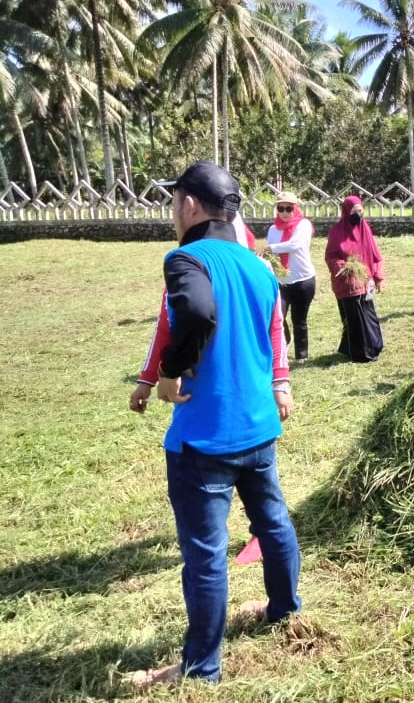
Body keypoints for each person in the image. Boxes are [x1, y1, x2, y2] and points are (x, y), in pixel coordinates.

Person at [127, 160, 301, 687]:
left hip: (203, 436)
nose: (172, 212)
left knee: (205, 556)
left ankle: (201, 669)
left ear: (190, 205)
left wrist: (171, 373)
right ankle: (285, 610)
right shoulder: (258, 266)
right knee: (272, 524)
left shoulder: (185, 258)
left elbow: (198, 313)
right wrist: (280, 385)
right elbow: (275, 335)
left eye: (174, 201)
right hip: (258, 428)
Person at [325, 195, 385, 362]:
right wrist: (343, 266)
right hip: (347, 282)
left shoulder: (365, 228)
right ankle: (361, 353)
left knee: (368, 315)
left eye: (360, 211)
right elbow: (330, 256)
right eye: (353, 211)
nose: (357, 215)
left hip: (366, 281)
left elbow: (375, 255)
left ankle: (373, 346)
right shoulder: (337, 231)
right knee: (354, 318)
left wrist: (378, 276)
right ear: (346, 212)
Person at [263, 192, 316, 362]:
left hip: (303, 279)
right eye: (281, 208)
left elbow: (295, 245)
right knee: (278, 316)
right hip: (282, 281)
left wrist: (270, 248)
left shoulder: (304, 225)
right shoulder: (273, 229)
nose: (284, 212)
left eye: (288, 208)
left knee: (299, 319)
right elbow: (272, 254)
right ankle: (283, 344)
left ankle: (302, 355)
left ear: (295, 208)